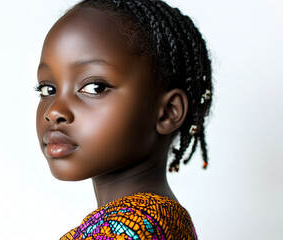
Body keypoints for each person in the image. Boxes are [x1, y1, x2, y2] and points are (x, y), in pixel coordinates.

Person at [35, 0, 213, 239]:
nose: (54, 110)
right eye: (47, 89)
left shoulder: (135, 229)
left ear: (168, 111)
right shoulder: (153, 221)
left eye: (95, 87)